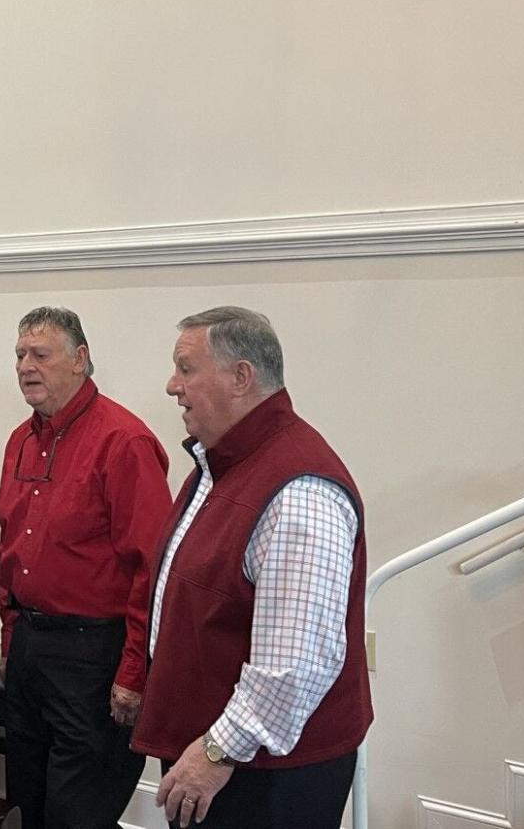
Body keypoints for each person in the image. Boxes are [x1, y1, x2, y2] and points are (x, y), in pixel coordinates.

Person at [132, 307, 372, 829]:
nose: (172, 385)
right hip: (226, 761)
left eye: (186, 368)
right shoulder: (221, 465)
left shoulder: (298, 490)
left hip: (261, 775)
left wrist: (217, 752)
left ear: (241, 377)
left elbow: (294, 663)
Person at [0, 306, 173, 829]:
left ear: (80, 359)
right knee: (29, 803)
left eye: (41, 355)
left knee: (78, 814)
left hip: (95, 656)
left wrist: (135, 674)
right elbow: (10, 552)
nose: (27, 366)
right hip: (29, 646)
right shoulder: (20, 440)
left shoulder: (124, 442)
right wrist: (10, 640)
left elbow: (152, 568)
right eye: (20, 355)